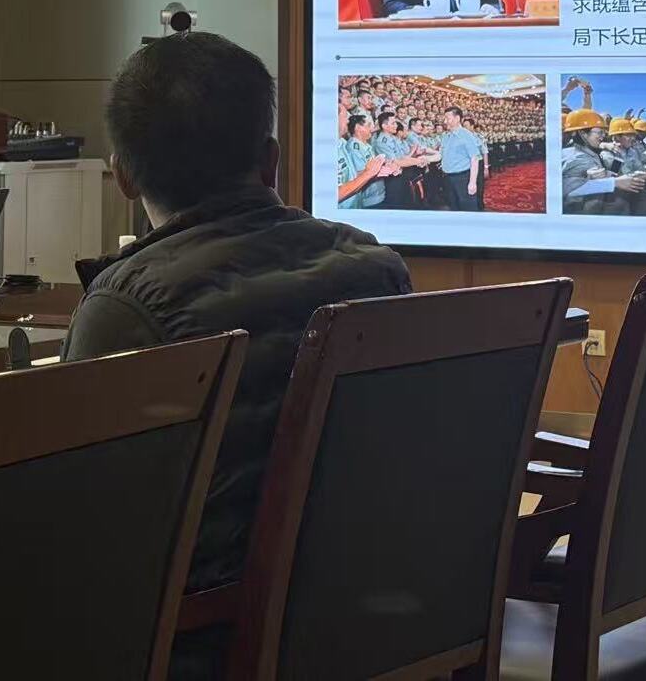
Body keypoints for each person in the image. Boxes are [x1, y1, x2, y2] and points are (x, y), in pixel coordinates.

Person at [60, 33, 411, 678]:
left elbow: (82, 518)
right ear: (271, 160)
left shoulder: (129, 308)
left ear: (122, 175)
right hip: (368, 618)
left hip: (201, 639)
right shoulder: (376, 267)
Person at [336, 114, 394, 209]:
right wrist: (373, 172)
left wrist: (385, 167)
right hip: (368, 199)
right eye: (368, 125)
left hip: (375, 195)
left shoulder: (366, 145)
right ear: (358, 128)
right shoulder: (354, 148)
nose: (372, 129)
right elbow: (359, 174)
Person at [436, 106, 487, 211]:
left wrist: (472, 182)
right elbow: (441, 155)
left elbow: (474, 159)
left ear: (457, 118)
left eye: (447, 118)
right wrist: (424, 159)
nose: (445, 121)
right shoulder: (446, 136)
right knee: (454, 207)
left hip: (462, 178)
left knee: (468, 209)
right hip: (448, 178)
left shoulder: (466, 135)